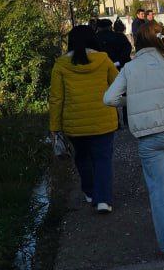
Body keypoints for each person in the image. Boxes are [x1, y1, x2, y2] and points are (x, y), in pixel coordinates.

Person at [103, 20, 164, 257]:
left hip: (149, 136)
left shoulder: (130, 68)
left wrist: (133, 100)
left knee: (159, 188)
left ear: (137, 41)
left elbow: (109, 98)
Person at [49, 25, 119, 213]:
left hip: (74, 123)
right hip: (103, 119)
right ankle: (103, 200)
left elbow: (56, 98)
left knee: (82, 157)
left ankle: (89, 191)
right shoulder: (103, 59)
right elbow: (117, 84)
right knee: (103, 159)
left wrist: (55, 127)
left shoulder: (61, 65)